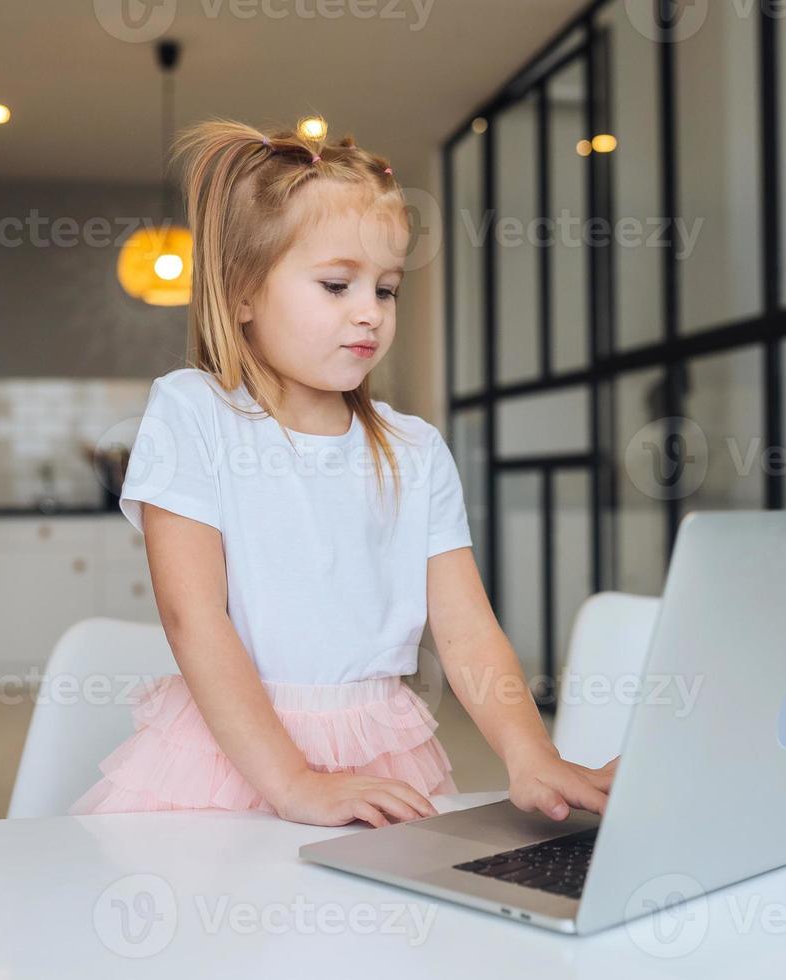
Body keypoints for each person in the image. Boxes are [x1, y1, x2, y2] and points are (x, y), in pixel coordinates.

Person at [70, 119, 617, 829]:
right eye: (336, 285)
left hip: (380, 749)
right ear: (240, 295)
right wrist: (294, 783)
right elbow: (191, 615)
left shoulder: (413, 449)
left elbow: (466, 629)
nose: (369, 313)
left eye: (385, 290)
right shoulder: (192, 412)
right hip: (233, 756)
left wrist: (529, 752)